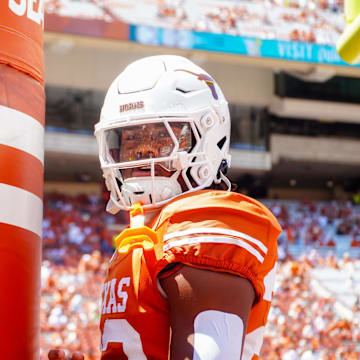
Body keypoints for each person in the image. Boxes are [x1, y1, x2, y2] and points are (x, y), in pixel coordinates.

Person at [49, 55, 281, 360]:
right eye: (132, 138)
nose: (144, 151)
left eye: (162, 136)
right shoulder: (148, 233)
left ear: (207, 137)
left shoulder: (206, 224)